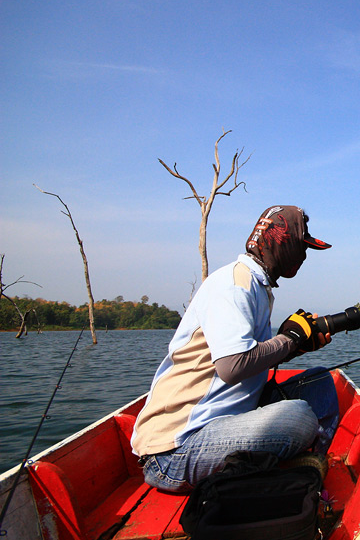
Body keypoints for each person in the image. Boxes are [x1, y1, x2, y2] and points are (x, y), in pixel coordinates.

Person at [131, 205, 338, 494]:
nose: (303, 257)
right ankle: (288, 475)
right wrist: (290, 338)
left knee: (320, 383)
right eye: (301, 248)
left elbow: (250, 358)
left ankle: (305, 466)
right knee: (299, 416)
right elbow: (232, 367)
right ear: (281, 242)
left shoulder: (258, 284)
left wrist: (296, 348)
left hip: (225, 425)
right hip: (176, 451)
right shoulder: (234, 285)